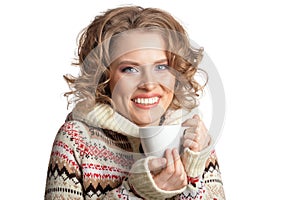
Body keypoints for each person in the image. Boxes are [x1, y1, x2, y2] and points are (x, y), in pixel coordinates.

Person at [44, 5, 225, 200]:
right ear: (104, 76)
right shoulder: (76, 140)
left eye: (161, 66)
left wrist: (192, 171)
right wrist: (136, 192)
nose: (148, 84)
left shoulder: (193, 136)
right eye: (130, 69)